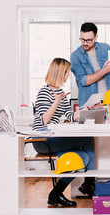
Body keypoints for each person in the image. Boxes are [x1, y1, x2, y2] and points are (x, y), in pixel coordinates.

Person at [32, 58, 96, 207]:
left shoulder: (61, 92)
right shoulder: (44, 92)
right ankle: (90, 184)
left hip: (55, 138)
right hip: (41, 140)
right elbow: (43, 121)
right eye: (68, 72)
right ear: (62, 72)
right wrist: (56, 101)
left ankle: (55, 194)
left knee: (84, 158)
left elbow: (70, 116)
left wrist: (87, 110)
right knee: (88, 139)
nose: (69, 75)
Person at [70, 22, 110, 107]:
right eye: (82, 39)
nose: (85, 43)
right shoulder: (75, 56)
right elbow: (84, 81)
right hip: (89, 105)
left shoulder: (105, 48)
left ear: (96, 37)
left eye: (88, 40)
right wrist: (105, 70)